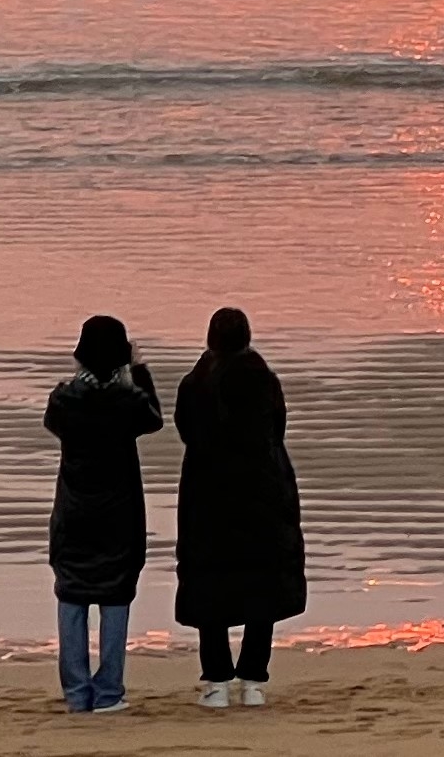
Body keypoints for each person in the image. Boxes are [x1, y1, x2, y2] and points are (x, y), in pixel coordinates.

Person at [175, 304, 307, 708]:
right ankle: (253, 680)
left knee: (210, 582)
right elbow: (277, 430)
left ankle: (216, 681)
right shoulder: (265, 382)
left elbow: (185, 431)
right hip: (261, 491)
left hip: (207, 494)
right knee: (261, 582)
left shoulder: (194, 384)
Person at [43, 314, 161, 713]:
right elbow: (154, 420)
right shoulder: (129, 403)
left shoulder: (63, 400)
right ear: (122, 356)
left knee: (71, 594)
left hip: (74, 512)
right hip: (118, 514)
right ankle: (109, 691)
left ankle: (77, 694)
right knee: (115, 595)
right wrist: (140, 371)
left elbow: (52, 422)